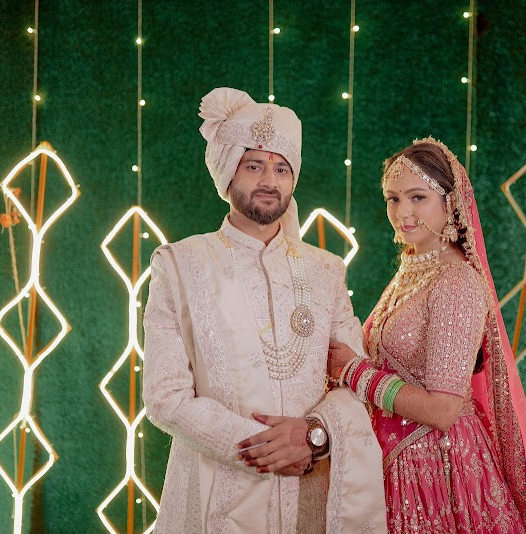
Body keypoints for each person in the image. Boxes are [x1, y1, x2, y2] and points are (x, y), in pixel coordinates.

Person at [142, 88, 387, 534]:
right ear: (228, 173)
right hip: (216, 494)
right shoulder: (180, 265)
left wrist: (312, 436)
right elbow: (165, 397)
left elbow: (355, 379)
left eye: (281, 168)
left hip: (310, 494)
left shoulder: (326, 271)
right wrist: (262, 448)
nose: (269, 180)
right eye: (254, 165)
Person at [328, 137, 526, 533]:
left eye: (418, 197)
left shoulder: (456, 282)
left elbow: (442, 410)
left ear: (450, 202)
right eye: (393, 199)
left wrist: (354, 371)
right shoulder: (411, 270)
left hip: (438, 471)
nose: (403, 212)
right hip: (394, 462)